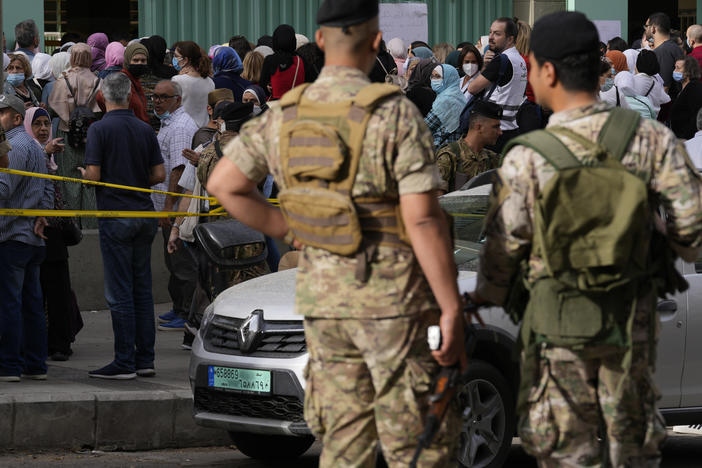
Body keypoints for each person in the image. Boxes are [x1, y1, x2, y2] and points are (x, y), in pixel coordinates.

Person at [206, 0, 465, 465]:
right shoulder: (394, 113)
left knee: (346, 444)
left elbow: (224, 184)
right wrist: (449, 306)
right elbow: (424, 219)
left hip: (324, 307)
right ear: (376, 43)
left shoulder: (287, 113)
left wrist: (285, 224)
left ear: (320, 42)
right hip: (393, 304)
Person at [471, 11, 702, 467]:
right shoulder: (650, 138)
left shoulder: (526, 158)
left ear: (550, 72)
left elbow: (498, 266)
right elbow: (691, 232)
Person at [81, 73, 165, 379]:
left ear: (103, 96)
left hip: (115, 216)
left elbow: (92, 175)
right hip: (144, 216)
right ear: (130, 95)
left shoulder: (99, 129)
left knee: (119, 293)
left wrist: (85, 174)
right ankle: (145, 359)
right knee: (142, 290)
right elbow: (158, 175)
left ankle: (124, 361)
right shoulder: (145, 129)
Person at [0, 94, 53, 382]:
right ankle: (35, 364)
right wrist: (42, 216)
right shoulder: (34, 146)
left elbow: (3, 188)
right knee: (31, 303)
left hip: (12, 236)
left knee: (10, 302)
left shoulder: (15, 146)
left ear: (16, 118)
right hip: (31, 236)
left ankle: (9, 364)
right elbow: (46, 189)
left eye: (2, 113)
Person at [25, 106, 78, 362]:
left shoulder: (50, 157)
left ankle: (59, 342)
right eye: (38, 125)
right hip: (32, 232)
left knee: (57, 289)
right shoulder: (27, 153)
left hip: (52, 232)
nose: (44, 129)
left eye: (47, 123)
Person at [150, 80, 199, 332]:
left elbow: (178, 171)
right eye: (155, 97)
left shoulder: (180, 127)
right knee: (173, 261)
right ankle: (179, 307)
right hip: (166, 206)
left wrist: (169, 208)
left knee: (181, 262)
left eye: (163, 97)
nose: (157, 101)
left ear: (177, 100)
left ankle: (187, 312)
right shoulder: (169, 123)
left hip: (175, 208)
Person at [48, 43, 101, 228]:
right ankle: (90, 225)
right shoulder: (97, 81)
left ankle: (71, 226)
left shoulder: (63, 80)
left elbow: (54, 104)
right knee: (90, 181)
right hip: (91, 135)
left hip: (65, 133)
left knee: (68, 179)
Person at [468, 17, 528, 152]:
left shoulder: (502, 60)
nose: (490, 37)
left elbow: (472, 88)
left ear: (510, 39)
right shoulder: (519, 60)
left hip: (494, 130)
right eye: (490, 32)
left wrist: (484, 66)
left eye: (497, 34)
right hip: (511, 128)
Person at [434, 100, 502, 192]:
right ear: (479, 127)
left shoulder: (491, 159)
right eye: (495, 127)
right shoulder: (450, 156)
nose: (500, 132)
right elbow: (438, 197)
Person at [96, 42, 150, 125]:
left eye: (143, 60)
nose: (140, 63)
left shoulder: (136, 80)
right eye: (135, 60)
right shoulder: (120, 79)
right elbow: (100, 97)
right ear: (128, 60)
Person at [172, 41, 215, 127]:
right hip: (203, 131)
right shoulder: (210, 82)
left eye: (176, 56)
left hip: (183, 129)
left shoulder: (177, 80)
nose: (174, 58)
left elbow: (171, 108)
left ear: (186, 60)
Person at [424, 63, 467, 148]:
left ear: (449, 78)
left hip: (441, 149)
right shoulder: (458, 96)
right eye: (432, 76)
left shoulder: (446, 100)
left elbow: (425, 126)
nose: (433, 79)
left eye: (438, 76)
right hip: (454, 148)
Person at [259, 25, 306, 99]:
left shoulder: (270, 60)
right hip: (297, 103)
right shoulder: (301, 59)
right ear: (293, 41)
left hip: (277, 104)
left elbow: (262, 86)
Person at [646, 12, 684, 88]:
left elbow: (664, 86)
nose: (645, 29)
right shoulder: (673, 47)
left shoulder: (663, 51)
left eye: (647, 26)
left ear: (653, 28)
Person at [630, 49, 670, 117]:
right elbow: (666, 101)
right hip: (650, 122)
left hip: (633, 120)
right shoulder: (656, 83)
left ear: (637, 64)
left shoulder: (631, 81)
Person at [671, 57, 702, 140]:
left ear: (688, 71)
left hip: (687, 138)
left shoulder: (694, 88)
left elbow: (696, 114)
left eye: (678, 68)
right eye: (675, 67)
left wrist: (686, 136)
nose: (674, 71)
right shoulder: (683, 88)